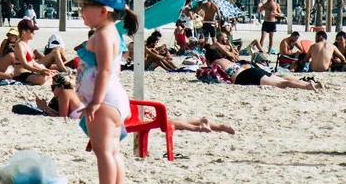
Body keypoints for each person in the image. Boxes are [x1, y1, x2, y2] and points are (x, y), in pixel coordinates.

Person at [75, 0, 140, 184]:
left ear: (103, 11)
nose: (81, 10)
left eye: (85, 6)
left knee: (103, 152)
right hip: (114, 99)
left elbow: (104, 71)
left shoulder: (102, 35)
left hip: (104, 101)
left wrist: (95, 102)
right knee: (113, 151)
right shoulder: (112, 32)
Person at [36, 73, 235, 134]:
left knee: (160, 123)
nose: (52, 92)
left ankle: (200, 127)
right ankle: (207, 123)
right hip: (114, 111)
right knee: (161, 120)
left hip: (111, 118)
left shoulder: (64, 94)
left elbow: (62, 117)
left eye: (52, 87)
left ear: (59, 86)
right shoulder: (75, 93)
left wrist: (45, 108)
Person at [204, 46, 321, 90]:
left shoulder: (214, 65)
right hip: (251, 70)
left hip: (244, 77)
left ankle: (308, 86)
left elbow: (214, 77)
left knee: (281, 84)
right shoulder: (226, 60)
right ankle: (311, 83)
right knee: (282, 79)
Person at [12, 19, 54, 85]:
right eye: (31, 31)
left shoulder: (26, 44)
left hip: (29, 74)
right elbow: (24, 65)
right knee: (42, 78)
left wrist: (46, 70)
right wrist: (40, 71)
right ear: (24, 32)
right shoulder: (19, 45)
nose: (33, 33)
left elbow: (33, 62)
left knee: (50, 75)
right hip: (21, 75)